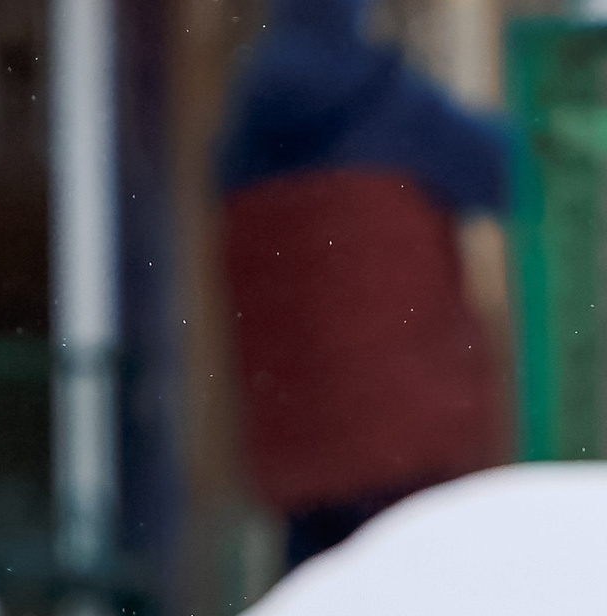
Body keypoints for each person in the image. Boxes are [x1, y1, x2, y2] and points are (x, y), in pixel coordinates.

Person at [216, 0, 512, 570]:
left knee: (326, 602)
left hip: (302, 445)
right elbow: (516, 173)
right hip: (415, 438)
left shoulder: (245, 126)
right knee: (429, 596)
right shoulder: (392, 107)